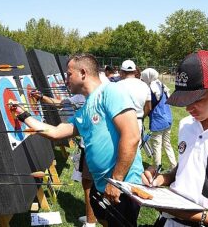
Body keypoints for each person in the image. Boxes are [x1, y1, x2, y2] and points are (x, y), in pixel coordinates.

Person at [10, 54, 143, 227]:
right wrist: (23, 114)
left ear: (83, 73)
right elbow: (56, 132)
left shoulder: (111, 91)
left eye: (68, 74)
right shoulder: (86, 107)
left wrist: (116, 181)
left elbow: (132, 136)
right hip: (102, 185)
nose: (66, 80)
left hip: (122, 185)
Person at [142, 50, 208, 226]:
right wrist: (164, 178)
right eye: (183, 99)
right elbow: (188, 169)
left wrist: (191, 215)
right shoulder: (186, 124)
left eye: (197, 99)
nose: (188, 108)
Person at [29, 91, 97, 227]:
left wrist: (25, 116)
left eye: (70, 74)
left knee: (90, 184)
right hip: (89, 146)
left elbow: (57, 132)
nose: (67, 79)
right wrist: (41, 97)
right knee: (88, 183)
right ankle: (92, 216)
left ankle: (91, 222)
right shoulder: (81, 95)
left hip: (94, 148)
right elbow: (60, 103)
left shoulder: (97, 93)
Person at [141, 68, 177, 169]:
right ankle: (174, 166)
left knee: (156, 145)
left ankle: (156, 168)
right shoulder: (161, 85)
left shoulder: (151, 89)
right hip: (168, 118)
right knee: (167, 144)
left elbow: (149, 106)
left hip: (158, 121)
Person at [117, 59, 151, 135]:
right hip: (138, 122)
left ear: (122, 72)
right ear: (135, 71)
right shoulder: (144, 85)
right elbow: (148, 107)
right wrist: (141, 117)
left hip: (122, 122)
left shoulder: (117, 85)